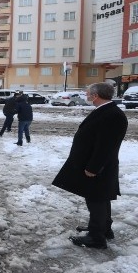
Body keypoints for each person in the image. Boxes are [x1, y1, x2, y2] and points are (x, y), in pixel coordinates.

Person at [52, 82, 128, 249]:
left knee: (96, 200)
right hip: (96, 166)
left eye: (88, 93)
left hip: (98, 168)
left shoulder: (112, 115)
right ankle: (103, 228)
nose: (86, 96)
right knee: (100, 198)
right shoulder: (106, 111)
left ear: (96, 95)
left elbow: (105, 146)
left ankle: (96, 237)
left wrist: (93, 167)